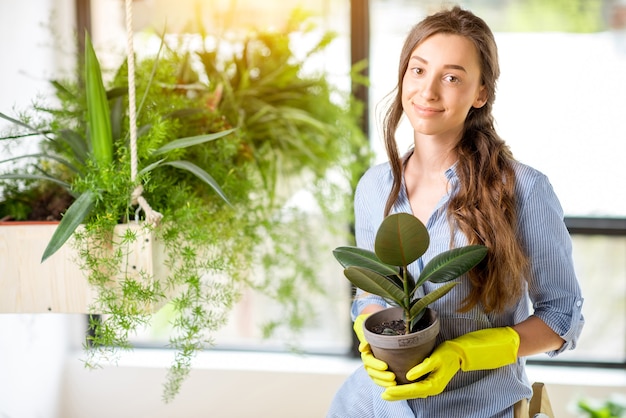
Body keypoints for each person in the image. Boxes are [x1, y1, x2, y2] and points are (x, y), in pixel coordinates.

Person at [327, 5, 584, 418]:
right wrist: (370, 323)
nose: (428, 92)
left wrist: (466, 353)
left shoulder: (524, 189)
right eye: (418, 70)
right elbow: (374, 288)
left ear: (480, 93)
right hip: (370, 406)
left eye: (451, 77)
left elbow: (562, 319)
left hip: (481, 409)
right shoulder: (374, 187)